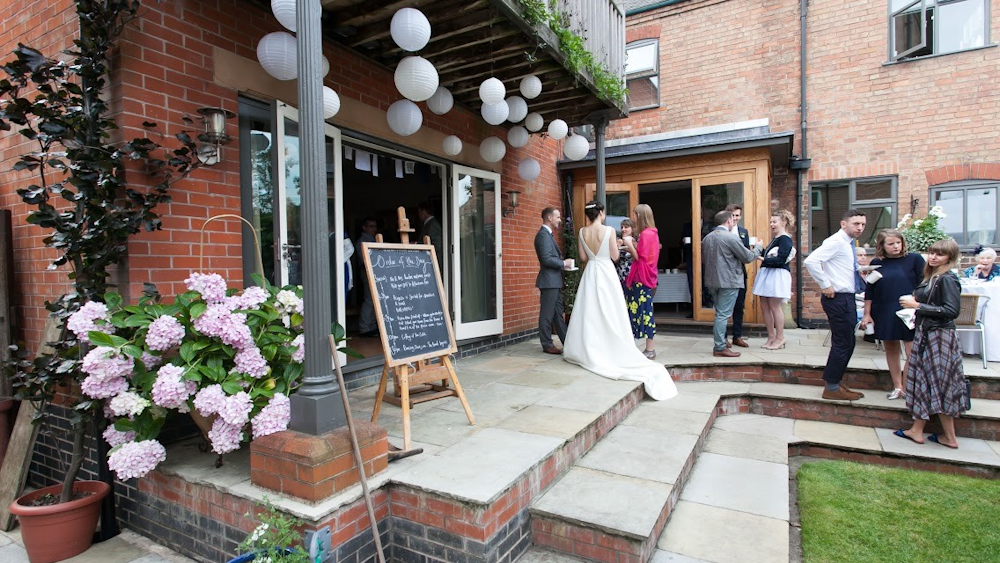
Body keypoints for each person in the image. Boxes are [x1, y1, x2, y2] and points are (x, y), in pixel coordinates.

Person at [563, 201, 677, 400]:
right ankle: (610, 345)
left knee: (588, 311)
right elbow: (615, 257)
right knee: (610, 310)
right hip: (606, 272)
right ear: (600, 213)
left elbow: (582, 257)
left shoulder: (581, 232)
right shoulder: (608, 231)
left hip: (591, 272)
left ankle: (587, 347)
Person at [895, 238, 967, 449]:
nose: (934, 256)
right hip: (927, 334)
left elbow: (951, 311)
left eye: (940, 254)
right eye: (932, 252)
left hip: (940, 337)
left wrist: (917, 305)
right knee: (925, 381)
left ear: (950, 258)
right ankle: (917, 430)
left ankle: (950, 437)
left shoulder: (947, 279)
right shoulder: (933, 276)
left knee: (940, 383)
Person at [804, 209, 868, 401]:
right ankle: (831, 387)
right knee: (843, 342)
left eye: (863, 224)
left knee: (848, 341)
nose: (860, 228)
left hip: (845, 297)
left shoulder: (847, 244)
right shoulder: (836, 241)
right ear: (843, 224)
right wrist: (825, 284)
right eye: (856, 224)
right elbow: (811, 261)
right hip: (838, 298)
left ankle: (836, 381)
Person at [861, 229, 925, 400]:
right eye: (891, 244)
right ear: (882, 246)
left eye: (898, 242)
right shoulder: (876, 262)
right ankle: (897, 386)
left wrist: (917, 302)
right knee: (890, 347)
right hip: (883, 308)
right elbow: (870, 290)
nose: (896, 246)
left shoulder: (915, 259)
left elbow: (923, 284)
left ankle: (907, 386)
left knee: (912, 351)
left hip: (908, 309)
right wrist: (867, 314)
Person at [702, 210, 759, 357]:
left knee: (719, 314)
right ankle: (720, 347)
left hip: (711, 281)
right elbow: (748, 257)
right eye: (732, 220)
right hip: (729, 281)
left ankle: (721, 343)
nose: (733, 222)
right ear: (728, 221)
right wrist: (758, 247)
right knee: (723, 315)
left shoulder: (706, 238)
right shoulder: (730, 238)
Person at [753, 210, 796, 350]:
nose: (771, 224)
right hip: (767, 273)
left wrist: (761, 258)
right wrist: (759, 249)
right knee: (764, 306)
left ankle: (780, 337)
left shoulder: (785, 239)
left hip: (777, 275)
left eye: (774, 222)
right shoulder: (776, 239)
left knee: (774, 306)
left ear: (783, 222)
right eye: (771, 222)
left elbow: (780, 260)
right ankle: (771, 337)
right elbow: (770, 255)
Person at [623, 204, 662, 359]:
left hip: (641, 278)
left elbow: (640, 258)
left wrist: (628, 244)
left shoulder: (646, 234)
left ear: (640, 216)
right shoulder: (652, 233)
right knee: (644, 311)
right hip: (646, 278)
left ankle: (650, 349)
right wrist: (632, 244)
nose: (634, 218)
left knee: (644, 312)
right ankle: (647, 348)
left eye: (635, 215)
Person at [535, 207, 570, 354]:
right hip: (549, 282)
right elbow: (546, 259)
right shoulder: (543, 235)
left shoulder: (548, 235)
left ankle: (568, 342)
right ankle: (547, 344)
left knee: (558, 315)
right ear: (549, 218)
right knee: (547, 315)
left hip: (554, 281)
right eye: (558, 217)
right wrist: (563, 263)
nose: (560, 220)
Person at [725, 204, 752, 348]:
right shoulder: (721, 231)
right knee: (724, 309)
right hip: (725, 275)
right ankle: (723, 338)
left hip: (740, 273)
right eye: (733, 215)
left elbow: (746, 252)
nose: (735, 218)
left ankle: (737, 336)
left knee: (739, 306)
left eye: (737, 215)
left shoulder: (743, 232)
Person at [355, 218, 379, 337]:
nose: (374, 229)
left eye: (375, 226)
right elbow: (365, 260)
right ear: (364, 227)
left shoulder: (374, 240)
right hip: (367, 271)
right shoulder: (362, 242)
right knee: (369, 300)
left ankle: (372, 326)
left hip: (375, 272)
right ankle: (364, 328)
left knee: (375, 300)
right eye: (371, 226)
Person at [417, 201, 443, 270]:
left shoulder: (432, 225)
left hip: (433, 264)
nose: (418, 215)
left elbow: (437, 245)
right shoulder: (429, 224)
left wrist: (417, 244)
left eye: (419, 212)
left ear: (424, 211)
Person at [615, 218, 635, 290]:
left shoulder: (636, 242)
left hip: (633, 276)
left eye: (626, 227)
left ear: (632, 229)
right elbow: (615, 259)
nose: (623, 229)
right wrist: (617, 246)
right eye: (622, 227)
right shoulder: (617, 241)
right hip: (620, 276)